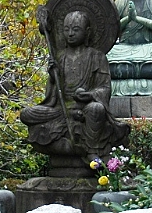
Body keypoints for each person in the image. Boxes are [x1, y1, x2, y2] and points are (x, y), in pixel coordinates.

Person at [20, 10, 129, 160]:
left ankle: (91, 150)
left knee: (96, 108)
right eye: (66, 29)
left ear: (87, 32)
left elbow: (105, 88)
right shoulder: (60, 56)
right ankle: (73, 125)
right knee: (26, 113)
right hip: (61, 110)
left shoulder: (97, 57)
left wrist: (90, 95)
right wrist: (53, 77)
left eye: (76, 29)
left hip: (84, 108)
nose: (70, 33)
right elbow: (53, 95)